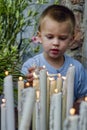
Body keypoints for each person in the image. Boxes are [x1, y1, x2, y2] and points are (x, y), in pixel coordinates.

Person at [21, 4, 87, 104]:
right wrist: (30, 84)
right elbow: (23, 99)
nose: (55, 43)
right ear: (40, 37)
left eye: (62, 38)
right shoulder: (31, 66)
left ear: (71, 39)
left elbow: (82, 98)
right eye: (50, 37)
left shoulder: (77, 69)